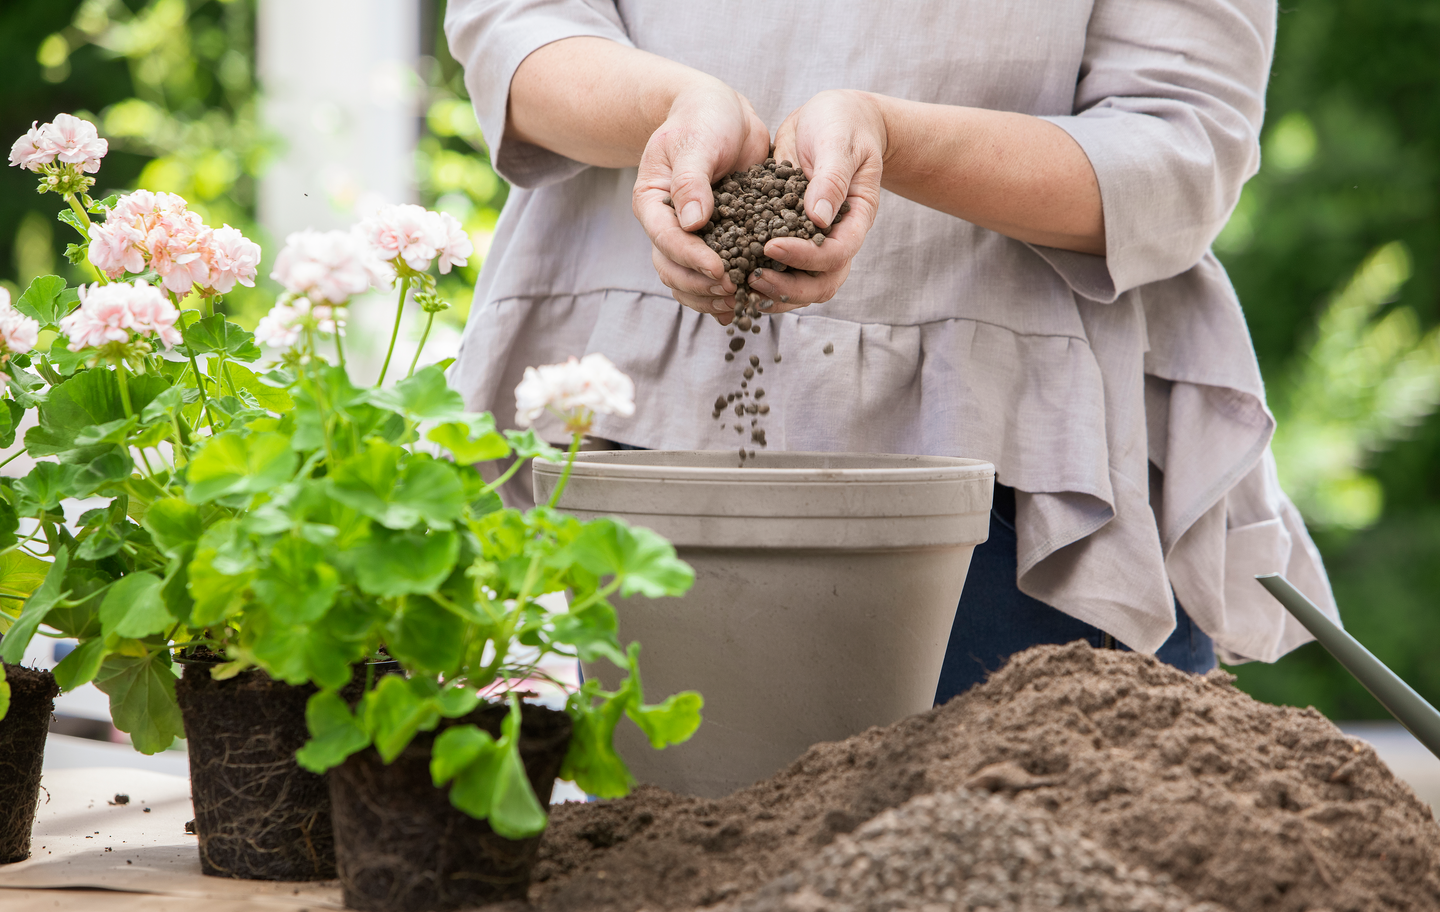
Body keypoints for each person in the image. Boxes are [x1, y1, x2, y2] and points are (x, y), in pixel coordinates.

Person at [442, 0, 1340, 697]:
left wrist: (889, 139)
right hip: (629, 435)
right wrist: (672, 109)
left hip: (1015, 492)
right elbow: (514, 26)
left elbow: (1184, 147)